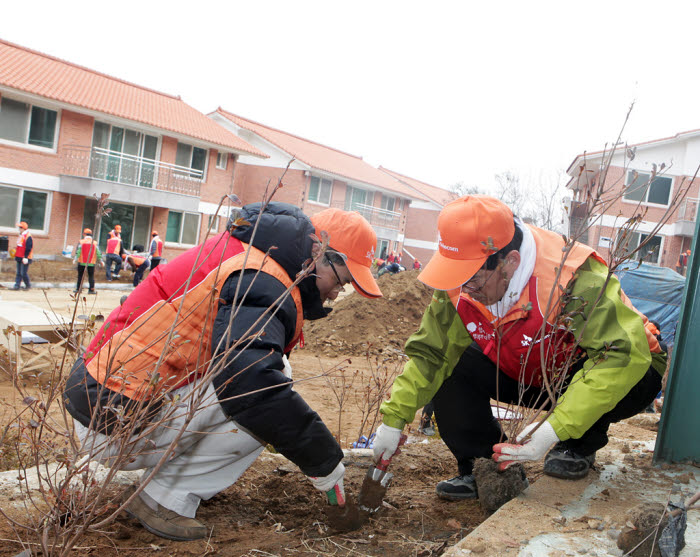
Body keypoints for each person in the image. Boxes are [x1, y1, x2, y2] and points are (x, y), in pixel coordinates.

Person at [63, 203, 382, 541]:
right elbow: (252, 385)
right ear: (319, 252)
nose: (335, 293)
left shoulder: (254, 257)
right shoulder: (263, 277)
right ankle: (163, 498)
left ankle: (165, 490)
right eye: (341, 280)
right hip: (116, 421)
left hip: (106, 401)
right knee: (266, 389)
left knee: (267, 385)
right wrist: (323, 459)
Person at [372, 195, 666, 501]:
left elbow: (622, 353)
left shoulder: (573, 277)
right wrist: (393, 420)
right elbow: (433, 354)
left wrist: (553, 430)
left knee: (620, 374)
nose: (465, 293)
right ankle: (487, 466)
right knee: (455, 367)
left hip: (624, 367)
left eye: (472, 281)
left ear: (509, 262)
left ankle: (578, 441)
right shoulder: (461, 284)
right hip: (528, 367)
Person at [74, 228, 103, 294]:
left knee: (80, 276)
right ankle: (91, 289)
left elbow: (78, 251)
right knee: (91, 276)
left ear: (84, 234)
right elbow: (98, 253)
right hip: (91, 263)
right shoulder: (95, 243)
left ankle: (78, 289)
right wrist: (101, 260)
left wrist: (75, 259)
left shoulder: (81, 242)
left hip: (81, 262)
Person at [12, 221, 32, 290]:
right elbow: (20, 246)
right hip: (19, 256)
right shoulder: (21, 235)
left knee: (23, 273)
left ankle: (28, 285)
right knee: (18, 273)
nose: (19, 229)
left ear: (23, 228)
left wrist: (26, 257)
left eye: (20, 227)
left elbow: (29, 247)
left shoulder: (28, 236)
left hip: (25, 257)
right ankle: (17, 286)